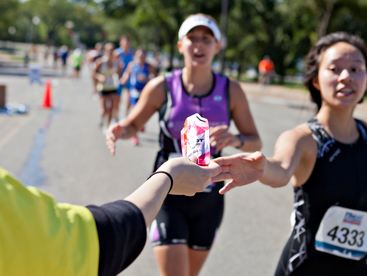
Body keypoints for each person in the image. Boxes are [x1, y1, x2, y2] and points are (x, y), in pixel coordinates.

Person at [213, 32, 367, 275]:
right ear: (316, 80)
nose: (346, 76)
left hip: (361, 265)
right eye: (334, 69)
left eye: (355, 68)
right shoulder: (303, 139)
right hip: (307, 266)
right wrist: (262, 168)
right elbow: (281, 169)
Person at [106, 13, 262, 276]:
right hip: (168, 194)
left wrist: (235, 139)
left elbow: (254, 140)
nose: (199, 46)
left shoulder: (230, 91)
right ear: (181, 45)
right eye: (192, 39)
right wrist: (120, 130)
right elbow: (133, 124)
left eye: (206, 39)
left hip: (210, 198)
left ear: (217, 46)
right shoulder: (162, 87)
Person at [0, 152, 221, 276]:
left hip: (205, 203)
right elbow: (100, 239)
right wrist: (167, 177)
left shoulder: (228, 89)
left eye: (207, 38)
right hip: (172, 197)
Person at [119, 48, 157, 145]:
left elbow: (155, 77)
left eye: (143, 56)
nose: (141, 58)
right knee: (134, 111)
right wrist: (123, 80)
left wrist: (148, 78)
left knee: (144, 112)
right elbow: (126, 75)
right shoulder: (132, 65)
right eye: (139, 56)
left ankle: (141, 124)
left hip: (145, 92)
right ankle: (134, 136)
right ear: (136, 56)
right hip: (134, 92)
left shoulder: (149, 66)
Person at [94, 43, 122, 128]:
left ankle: (108, 126)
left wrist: (118, 75)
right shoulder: (100, 62)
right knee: (104, 110)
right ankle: (102, 118)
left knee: (111, 109)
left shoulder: (116, 62)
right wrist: (99, 77)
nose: (110, 53)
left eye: (112, 51)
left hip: (113, 87)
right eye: (108, 51)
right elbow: (94, 73)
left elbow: (119, 74)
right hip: (103, 88)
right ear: (105, 51)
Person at [114, 35, 135, 115]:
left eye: (127, 42)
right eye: (124, 42)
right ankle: (116, 115)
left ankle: (126, 114)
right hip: (118, 78)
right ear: (121, 43)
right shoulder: (117, 53)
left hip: (129, 79)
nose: (126, 44)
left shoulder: (132, 53)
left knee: (129, 98)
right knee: (117, 98)